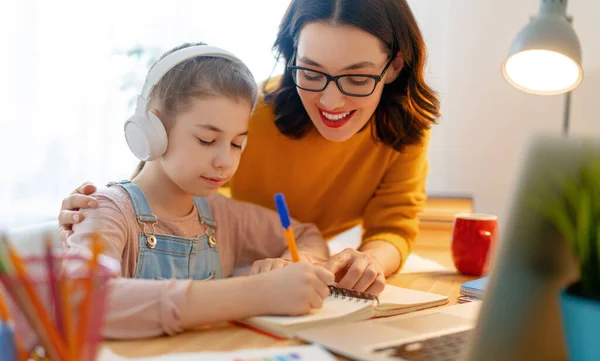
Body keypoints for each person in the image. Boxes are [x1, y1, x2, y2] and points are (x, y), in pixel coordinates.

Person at [59, 0, 440, 296]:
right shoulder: (253, 113)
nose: (331, 100)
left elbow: (395, 225)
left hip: (292, 277)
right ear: (292, 56)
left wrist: (367, 261)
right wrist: (102, 216)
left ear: (393, 67)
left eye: (356, 78)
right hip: (238, 274)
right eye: (310, 72)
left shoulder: (402, 130)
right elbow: (176, 194)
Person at [63, 43, 333, 339]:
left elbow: (307, 236)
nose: (225, 162)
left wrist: (293, 267)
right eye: (207, 140)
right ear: (153, 131)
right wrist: (252, 294)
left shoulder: (223, 215)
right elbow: (85, 301)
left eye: (236, 144)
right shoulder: (106, 210)